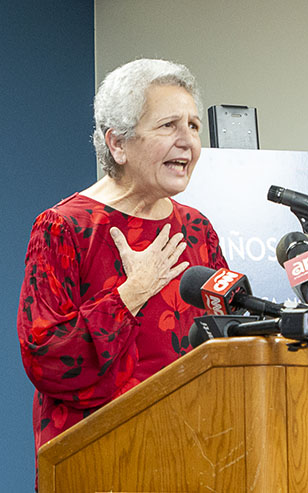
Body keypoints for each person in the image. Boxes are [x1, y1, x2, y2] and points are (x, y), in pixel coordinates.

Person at [17, 59, 228, 484]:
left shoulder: (197, 229)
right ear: (117, 143)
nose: (187, 141)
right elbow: (46, 360)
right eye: (168, 125)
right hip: (100, 463)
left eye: (193, 126)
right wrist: (133, 293)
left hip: (191, 456)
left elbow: (226, 334)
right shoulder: (65, 228)